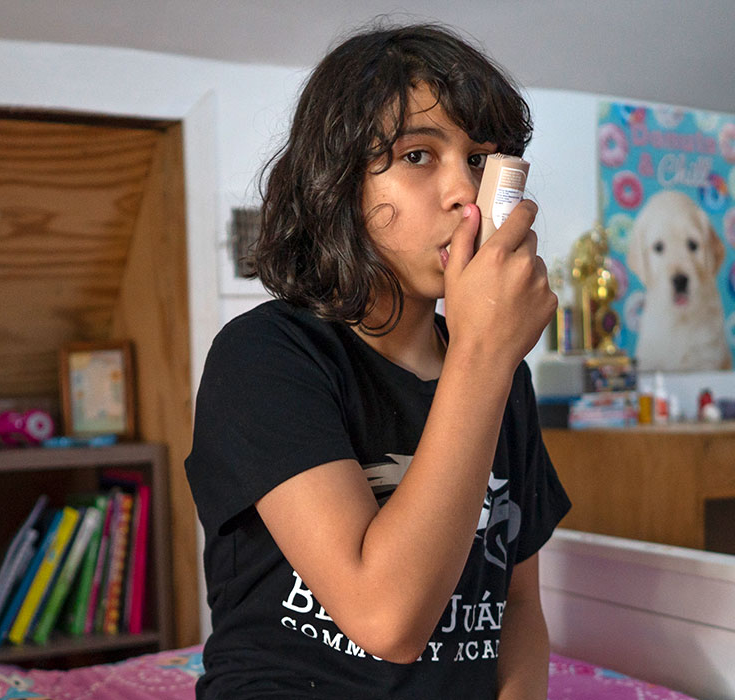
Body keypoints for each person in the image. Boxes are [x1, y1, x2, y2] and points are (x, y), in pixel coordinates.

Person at [184, 22, 571, 699]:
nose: (461, 191)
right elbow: (384, 619)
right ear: (340, 186)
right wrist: (485, 352)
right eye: (419, 156)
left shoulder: (502, 371)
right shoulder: (266, 358)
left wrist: (489, 355)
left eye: (481, 160)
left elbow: (518, 606)